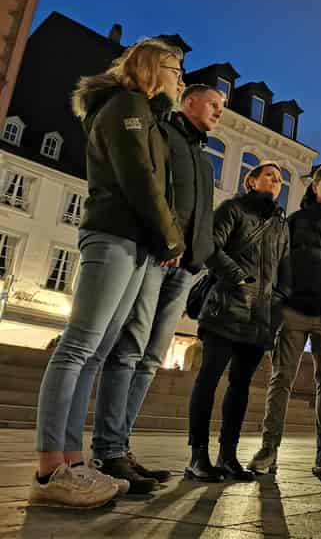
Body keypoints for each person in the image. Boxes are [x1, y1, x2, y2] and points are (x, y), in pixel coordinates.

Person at [30, 38, 186, 508]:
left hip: (136, 242)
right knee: (78, 346)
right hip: (115, 234)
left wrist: (160, 236)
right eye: (175, 69)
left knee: (95, 353)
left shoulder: (147, 114)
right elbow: (137, 175)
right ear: (150, 67)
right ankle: (49, 469)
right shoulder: (126, 105)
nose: (180, 78)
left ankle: (75, 463)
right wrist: (170, 235)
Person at [83, 84, 221, 492]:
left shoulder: (202, 157)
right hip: (158, 253)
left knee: (150, 358)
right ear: (189, 101)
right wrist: (165, 239)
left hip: (185, 265)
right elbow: (150, 189)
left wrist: (199, 254)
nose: (219, 112)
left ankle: (120, 448)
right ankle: (107, 450)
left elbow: (201, 213)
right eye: (214, 104)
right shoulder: (163, 133)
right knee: (128, 349)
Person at [248, 166, 321, 477]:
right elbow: (278, 261)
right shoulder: (294, 223)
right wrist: (280, 299)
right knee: (281, 379)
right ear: (314, 187)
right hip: (295, 310)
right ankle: (268, 448)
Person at [185, 162, 290, 482]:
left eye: (280, 179)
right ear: (251, 180)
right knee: (209, 378)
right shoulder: (232, 209)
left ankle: (227, 455)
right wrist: (238, 277)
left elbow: (285, 269)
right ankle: (198, 455)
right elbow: (210, 247)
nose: (275, 182)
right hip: (226, 307)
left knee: (241, 386)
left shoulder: (280, 224)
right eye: (269, 176)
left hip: (259, 316)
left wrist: (278, 303)